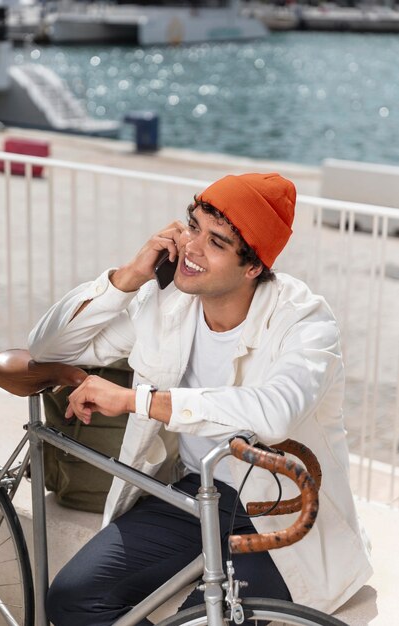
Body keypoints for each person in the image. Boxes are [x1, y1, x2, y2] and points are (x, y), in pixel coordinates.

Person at [28, 172, 372, 626]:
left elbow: (273, 413)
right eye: (192, 226)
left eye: (216, 242)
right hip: (192, 496)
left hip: (279, 513)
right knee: (72, 598)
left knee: (202, 620)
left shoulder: (304, 321)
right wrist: (127, 277)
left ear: (253, 267)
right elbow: (47, 348)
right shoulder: (169, 303)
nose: (190, 247)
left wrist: (138, 400)